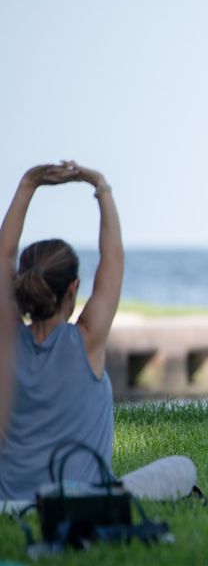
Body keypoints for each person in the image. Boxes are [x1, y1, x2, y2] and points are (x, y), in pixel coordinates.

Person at [0, 162, 196, 504]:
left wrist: (28, 184)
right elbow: (113, 257)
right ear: (73, 289)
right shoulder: (87, 340)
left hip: (9, 503)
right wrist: (99, 185)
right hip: (81, 502)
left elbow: (4, 256)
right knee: (182, 467)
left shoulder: (8, 343)